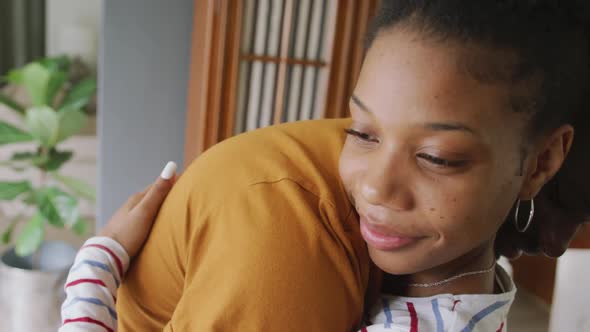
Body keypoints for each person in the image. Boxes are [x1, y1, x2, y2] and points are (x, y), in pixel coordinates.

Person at [63, 1, 590, 331]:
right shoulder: (284, 231)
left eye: (436, 158)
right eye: (361, 132)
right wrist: (98, 262)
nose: (376, 189)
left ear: (542, 159)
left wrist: (98, 262)